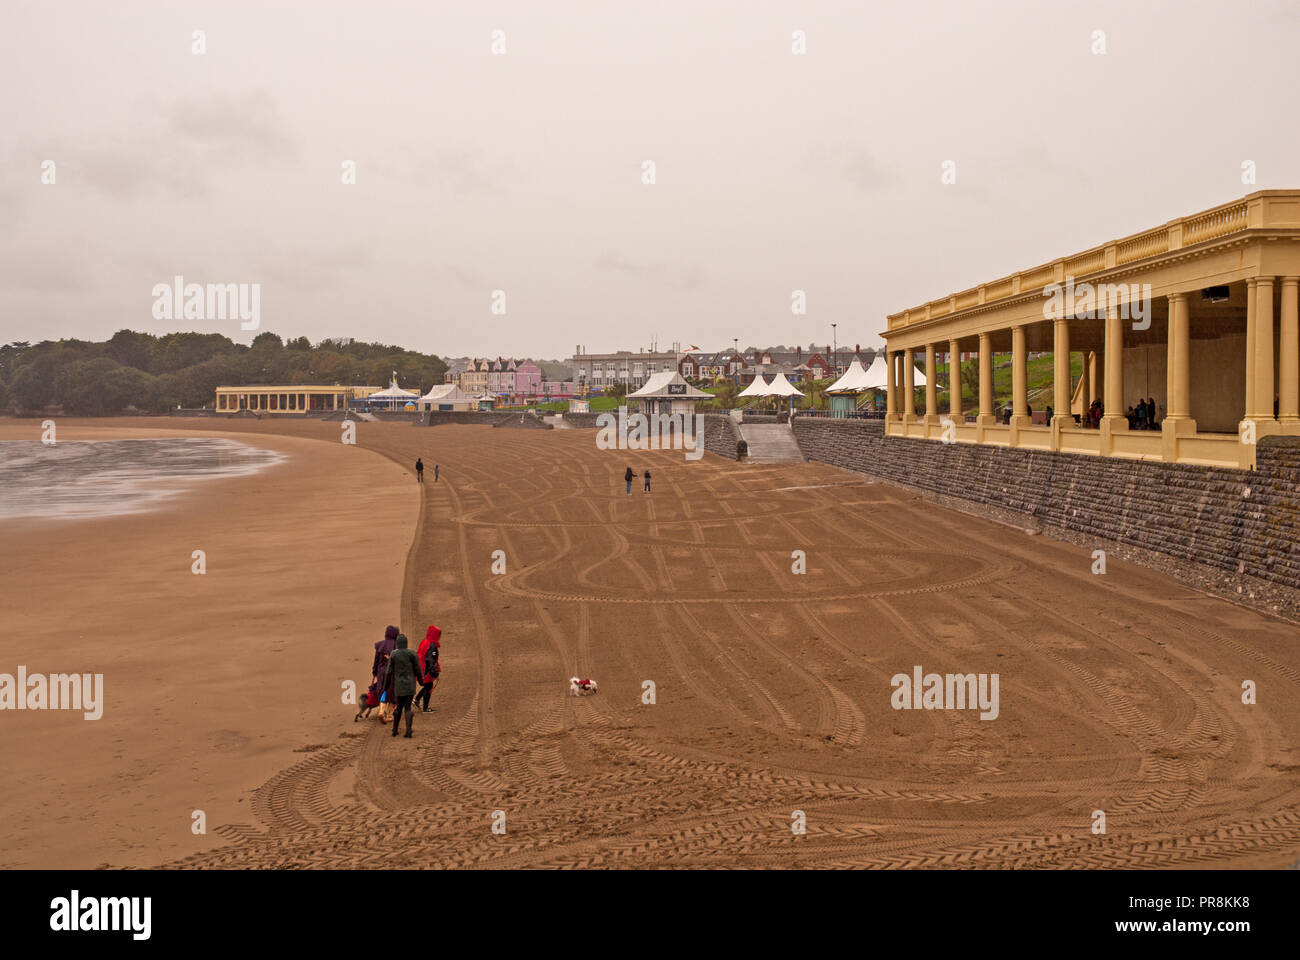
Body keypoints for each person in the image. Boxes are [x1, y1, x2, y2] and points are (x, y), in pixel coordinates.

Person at [385, 634, 423, 738]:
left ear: (397, 643)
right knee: (407, 707)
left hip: (399, 686)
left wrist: (386, 685)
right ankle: (408, 730)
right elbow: (418, 670)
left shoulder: (393, 654)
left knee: (399, 707)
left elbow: (388, 672)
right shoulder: (412, 653)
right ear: (406, 643)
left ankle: (395, 730)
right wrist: (421, 681)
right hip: (410, 685)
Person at [371, 625, 398, 723]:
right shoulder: (397, 645)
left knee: (383, 690)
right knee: (392, 693)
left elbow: (376, 661)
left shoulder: (380, 645)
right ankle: (389, 715)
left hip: (381, 672)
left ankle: (381, 711)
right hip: (392, 672)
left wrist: (374, 672)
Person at [416, 624, 441, 712]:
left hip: (421, 669)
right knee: (429, 686)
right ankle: (425, 708)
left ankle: (417, 700)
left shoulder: (424, 642)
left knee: (427, 686)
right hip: (426, 671)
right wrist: (435, 673)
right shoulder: (432, 646)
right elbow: (431, 661)